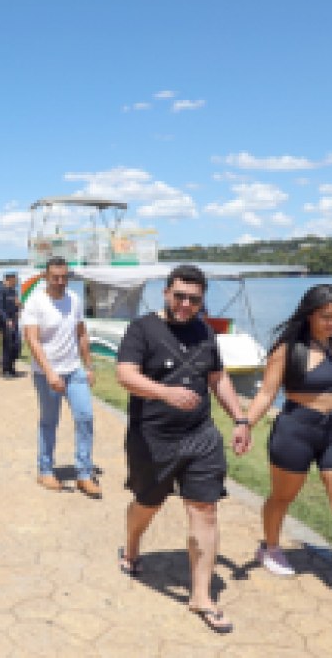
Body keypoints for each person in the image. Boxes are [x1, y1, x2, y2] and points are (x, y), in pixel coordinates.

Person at [116, 264, 250, 634]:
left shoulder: (205, 331)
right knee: (148, 503)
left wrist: (240, 419)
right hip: (152, 437)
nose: (186, 304)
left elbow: (217, 377)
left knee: (205, 509)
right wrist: (164, 392)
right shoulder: (142, 329)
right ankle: (132, 545)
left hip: (200, 434)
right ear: (166, 293)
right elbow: (125, 374)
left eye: (194, 299)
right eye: (180, 296)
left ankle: (201, 596)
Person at [242, 284, 332, 620]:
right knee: (282, 498)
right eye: (326, 317)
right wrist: (244, 424)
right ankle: (270, 546)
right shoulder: (287, 349)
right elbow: (266, 394)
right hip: (296, 430)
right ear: (309, 314)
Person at [22, 257, 101, 497]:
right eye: (55, 277)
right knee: (49, 421)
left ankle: (84, 473)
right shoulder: (35, 302)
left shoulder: (74, 299)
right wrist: (49, 373)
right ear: (45, 277)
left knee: (85, 417)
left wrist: (88, 366)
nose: (60, 281)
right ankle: (45, 470)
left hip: (74, 370)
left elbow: (81, 334)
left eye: (64, 277)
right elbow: (32, 340)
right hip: (47, 373)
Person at [0, 272, 22, 378]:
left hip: (14, 321)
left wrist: (19, 307)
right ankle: (5, 370)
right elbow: (0, 308)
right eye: (15, 279)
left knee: (16, 345)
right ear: (9, 279)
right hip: (5, 322)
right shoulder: (0, 291)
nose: (16, 282)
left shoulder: (14, 291)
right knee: (7, 346)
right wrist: (7, 319)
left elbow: (16, 305)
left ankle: (12, 368)